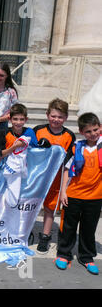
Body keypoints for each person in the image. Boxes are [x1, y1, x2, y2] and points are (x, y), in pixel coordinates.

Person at [55, 112, 101, 275]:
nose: (93, 134)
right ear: (82, 132)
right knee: (68, 227)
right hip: (73, 194)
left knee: (89, 229)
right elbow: (66, 170)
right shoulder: (76, 147)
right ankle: (63, 254)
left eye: (95, 129)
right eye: (88, 131)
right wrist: (63, 192)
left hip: (95, 197)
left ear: (100, 128)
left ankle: (86, 257)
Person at [34, 98, 75, 253]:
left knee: (50, 209)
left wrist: (65, 185)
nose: (56, 119)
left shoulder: (69, 136)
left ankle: (45, 236)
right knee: (30, 206)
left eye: (60, 117)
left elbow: (68, 163)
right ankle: (24, 232)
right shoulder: (38, 130)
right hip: (37, 178)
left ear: (66, 118)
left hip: (55, 179)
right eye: (53, 116)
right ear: (47, 115)